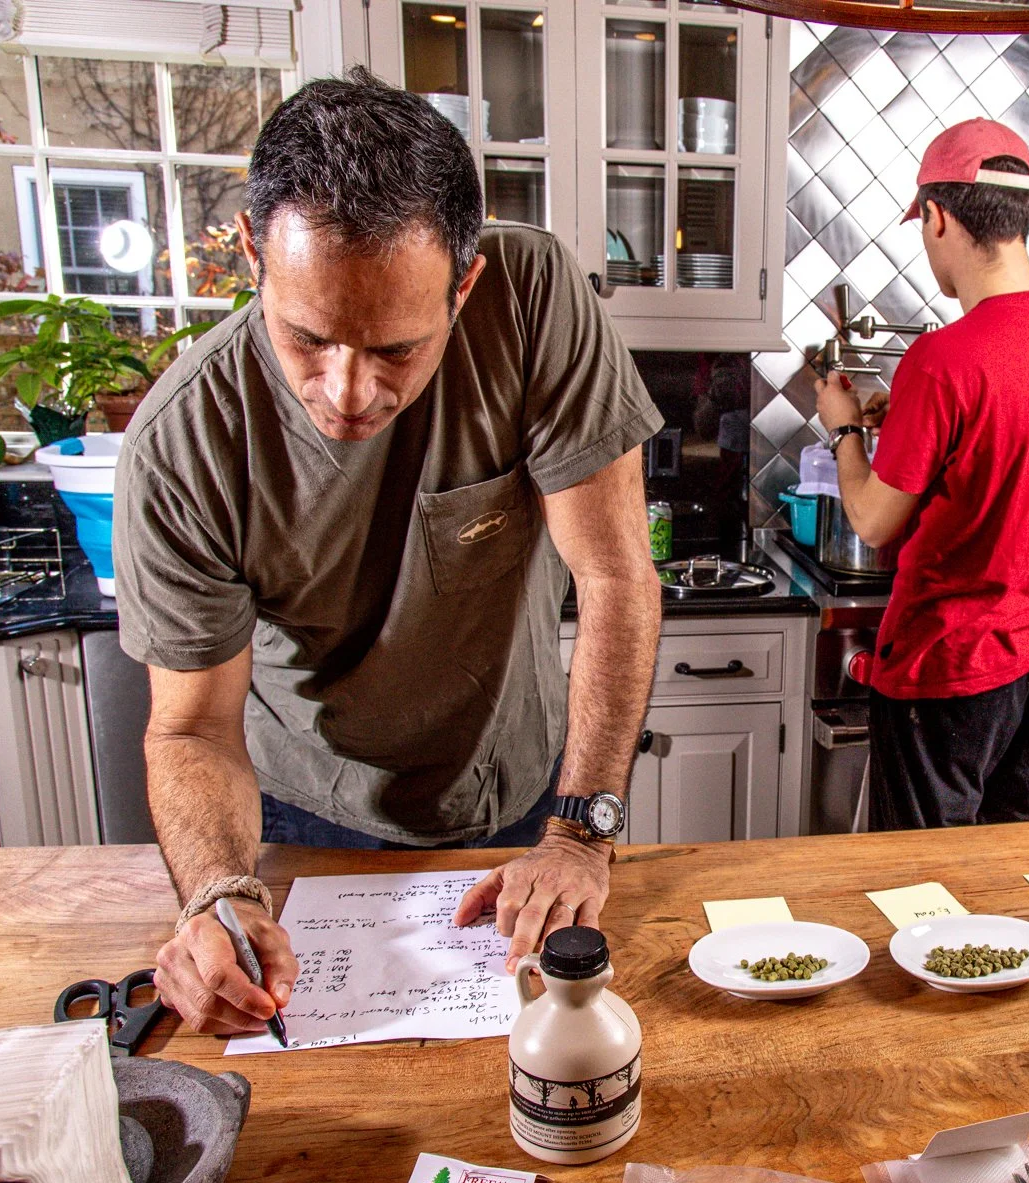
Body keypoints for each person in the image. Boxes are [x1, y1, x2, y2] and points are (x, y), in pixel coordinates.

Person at [115, 69, 664, 1037]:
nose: (348, 392)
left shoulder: (530, 299)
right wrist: (217, 894)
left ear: (464, 284)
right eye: (308, 339)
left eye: (397, 351)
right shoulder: (182, 444)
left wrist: (581, 832)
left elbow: (615, 576)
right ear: (252, 253)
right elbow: (192, 728)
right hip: (306, 817)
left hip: (532, 794)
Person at [813, 118, 1029, 830]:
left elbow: (872, 520)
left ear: (937, 216)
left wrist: (845, 428)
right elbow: (1015, 435)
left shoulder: (942, 359)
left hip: (951, 665)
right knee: (1014, 862)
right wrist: (912, 422)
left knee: (924, 874)